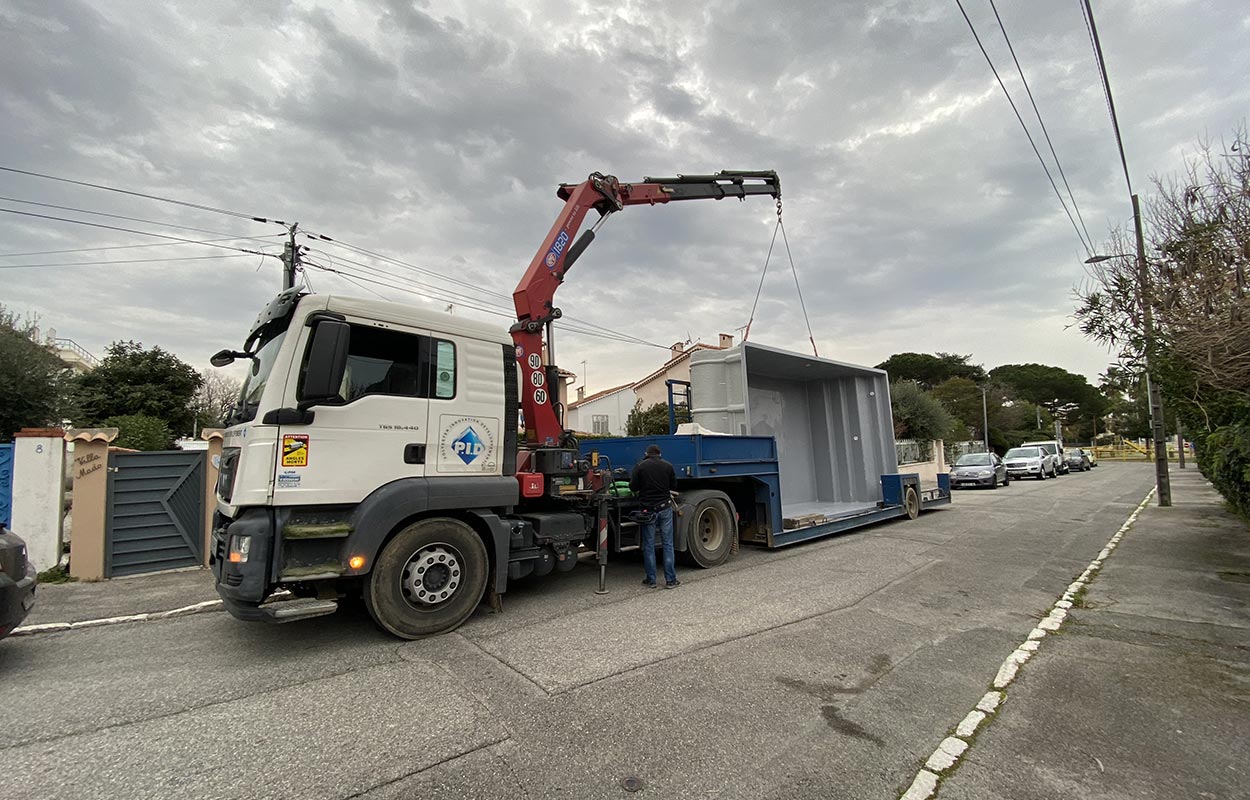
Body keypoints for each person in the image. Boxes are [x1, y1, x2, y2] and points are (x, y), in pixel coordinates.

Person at [629, 444, 679, 588]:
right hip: (665, 508)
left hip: (648, 511)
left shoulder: (640, 466)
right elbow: (673, 485)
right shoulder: (668, 466)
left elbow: (633, 487)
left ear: (646, 453)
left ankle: (651, 580)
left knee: (649, 545)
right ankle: (671, 580)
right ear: (660, 453)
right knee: (668, 544)